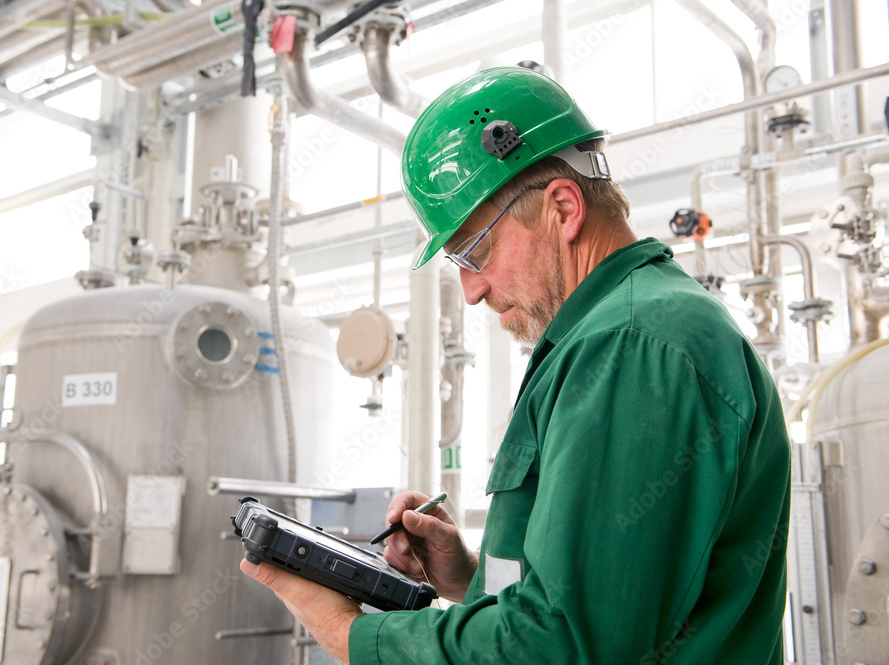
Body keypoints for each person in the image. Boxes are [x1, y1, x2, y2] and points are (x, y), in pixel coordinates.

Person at [242, 66, 791, 664]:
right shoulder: (612, 333)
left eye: (475, 251)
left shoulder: (631, 344)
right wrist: (464, 577)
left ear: (561, 207)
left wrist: (349, 634)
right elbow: (593, 601)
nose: (471, 291)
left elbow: (563, 646)